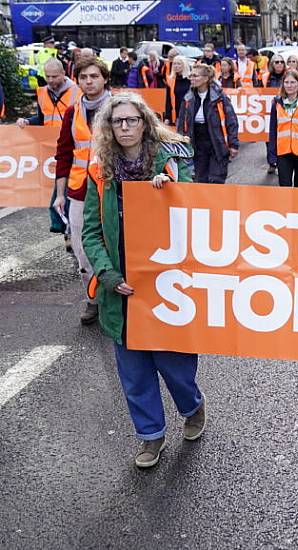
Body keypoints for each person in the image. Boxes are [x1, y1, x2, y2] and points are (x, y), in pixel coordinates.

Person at [81, 92, 205, 469]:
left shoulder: (172, 161)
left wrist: (169, 192)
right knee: (134, 373)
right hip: (120, 289)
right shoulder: (100, 171)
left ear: (145, 123)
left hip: (164, 285)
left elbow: (197, 212)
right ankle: (150, 436)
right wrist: (106, 273)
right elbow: (90, 232)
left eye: (131, 120)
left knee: (174, 366)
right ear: (108, 127)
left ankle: (192, 406)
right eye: (117, 121)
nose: (124, 127)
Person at [52, 57, 112, 325]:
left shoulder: (121, 108)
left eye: (94, 76)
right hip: (79, 190)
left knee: (114, 245)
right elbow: (64, 153)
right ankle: (93, 300)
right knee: (82, 250)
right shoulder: (72, 111)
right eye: (84, 78)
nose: (89, 82)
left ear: (104, 78)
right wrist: (60, 194)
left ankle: (116, 300)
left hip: (112, 189)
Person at [176, 63, 239, 184]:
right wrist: (180, 142)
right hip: (198, 143)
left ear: (206, 78)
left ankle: (216, 203)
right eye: (191, 76)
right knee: (201, 180)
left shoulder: (219, 97)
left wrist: (233, 144)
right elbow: (181, 121)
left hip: (217, 142)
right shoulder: (188, 98)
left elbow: (231, 121)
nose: (192, 79)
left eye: (195, 76)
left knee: (216, 179)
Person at [17, 59, 80, 128]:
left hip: (68, 137)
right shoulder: (42, 93)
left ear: (63, 73)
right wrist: (27, 121)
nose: (50, 80)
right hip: (49, 136)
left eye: (54, 76)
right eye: (47, 76)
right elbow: (41, 119)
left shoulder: (77, 92)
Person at [163, 56, 192, 125]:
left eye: (179, 64)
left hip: (190, 115)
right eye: (174, 64)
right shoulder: (170, 80)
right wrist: (167, 117)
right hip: (177, 116)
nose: (176, 66)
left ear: (184, 65)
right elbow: (168, 100)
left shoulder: (191, 80)